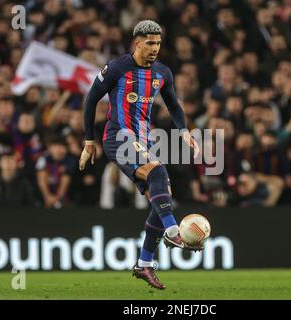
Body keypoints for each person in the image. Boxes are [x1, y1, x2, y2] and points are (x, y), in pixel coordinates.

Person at [79, 20, 201, 290]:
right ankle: (172, 232)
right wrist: (89, 140)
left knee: (162, 198)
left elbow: (173, 104)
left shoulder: (163, 73)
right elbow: (91, 99)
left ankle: (144, 263)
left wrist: (184, 131)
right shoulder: (118, 67)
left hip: (143, 140)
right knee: (158, 173)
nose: (155, 48)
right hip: (118, 136)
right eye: (149, 43)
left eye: (158, 43)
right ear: (137, 42)